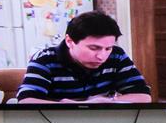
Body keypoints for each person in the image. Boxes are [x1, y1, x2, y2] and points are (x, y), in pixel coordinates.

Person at [12, 10, 152, 105]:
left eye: (108, 48)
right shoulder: (45, 59)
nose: (101, 56)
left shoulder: (117, 55)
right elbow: (26, 100)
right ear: (69, 41)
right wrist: (80, 105)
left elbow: (143, 96)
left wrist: (107, 102)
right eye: (94, 48)